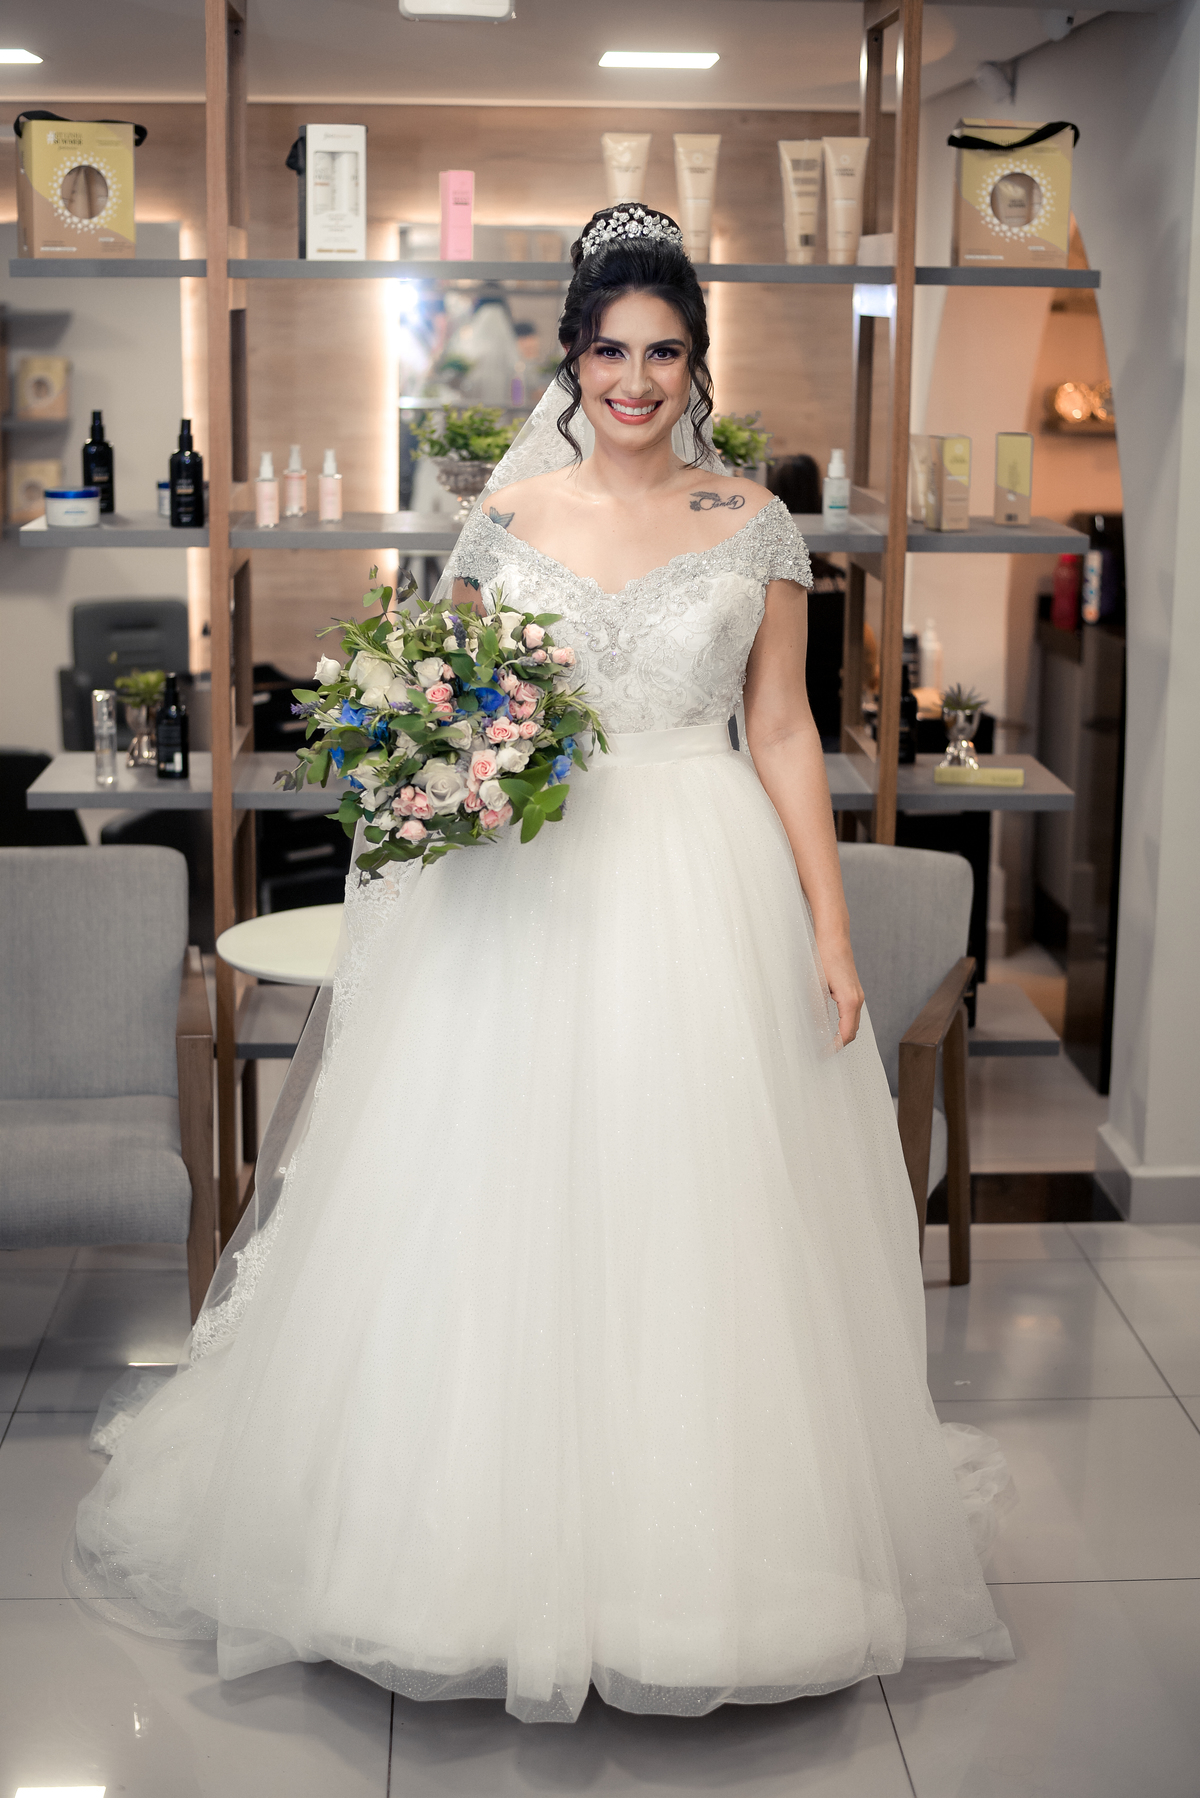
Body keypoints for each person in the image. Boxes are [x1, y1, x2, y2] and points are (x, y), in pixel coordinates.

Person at [69, 205, 1013, 1726]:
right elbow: (445, 709)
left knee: (688, 1205)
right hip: (526, 885)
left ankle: (700, 1568)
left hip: (703, 882)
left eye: (663, 352)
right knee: (492, 1201)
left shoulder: (759, 525)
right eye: (609, 351)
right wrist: (438, 788)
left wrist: (830, 929)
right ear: (571, 359)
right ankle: (449, 1560)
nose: (635, 379)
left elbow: (781, 729)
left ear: (696, 363)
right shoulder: (504, 522)